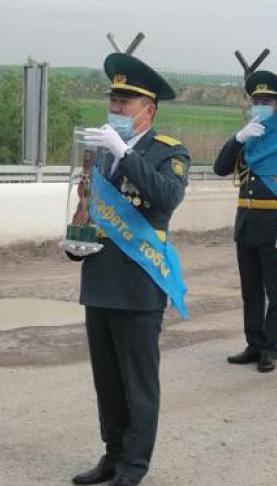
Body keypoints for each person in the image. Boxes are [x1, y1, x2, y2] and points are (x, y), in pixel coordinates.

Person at [65, 51, 191, 486]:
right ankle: (113, 456)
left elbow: (165, 198)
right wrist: (75, 243)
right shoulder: (99, 153)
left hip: (139, 285)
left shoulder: (167, 153)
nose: (115, 109)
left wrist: (125, 154)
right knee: (108, 383)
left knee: (138, 384)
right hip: (99, 281)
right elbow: (88, 206)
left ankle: (134, 467)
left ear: (148, 111)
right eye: (113, 101)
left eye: (126, 103)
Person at [213, 70, 277, 373]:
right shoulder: (250, 138)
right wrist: (238, 138)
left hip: (275, 226)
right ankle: (254, 343)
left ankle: (271, 348)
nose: (260, 105)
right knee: (251, 290)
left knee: (276, 292)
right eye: (256, 100)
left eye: (266, 101)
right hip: (246, 224)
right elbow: (220, 168)